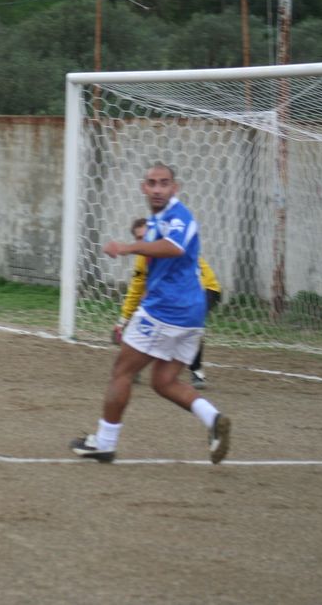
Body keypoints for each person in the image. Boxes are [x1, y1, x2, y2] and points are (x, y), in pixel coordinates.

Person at [71, 163, 231, 464]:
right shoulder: (158, 220)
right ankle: (213, 419)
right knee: (163, 381)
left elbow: (173, 247)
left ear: (175, 187)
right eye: (152, 183)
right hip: (191, 314)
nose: (158, 189)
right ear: (143, 187)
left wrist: (128, 247)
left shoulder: (179, 216)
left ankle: (104, 443)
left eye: (164, 183)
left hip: (167, 309)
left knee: (122, 371)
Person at [115, 217, 222, 389]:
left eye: (147, 235)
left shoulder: (171, 248)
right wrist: (122, 320)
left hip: (205, 289)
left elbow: (191, 277)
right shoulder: (143, 259)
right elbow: (136, 289)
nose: (144, 240)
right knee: (149, 319)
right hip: (176, 295)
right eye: (139, 238)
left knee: (187, 324)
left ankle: (196, 371)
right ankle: (134, 367)